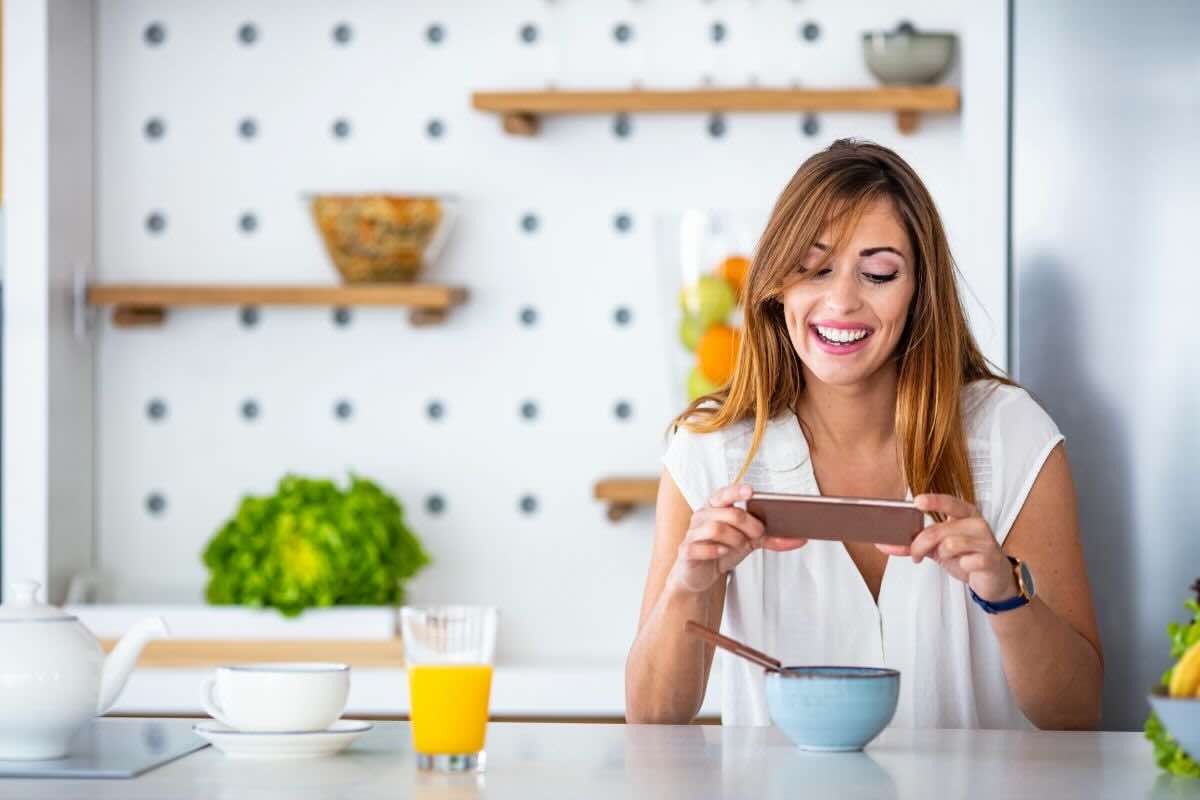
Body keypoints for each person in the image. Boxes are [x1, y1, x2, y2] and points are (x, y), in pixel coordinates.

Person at [625, 139, 1103, 730]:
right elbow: (650, 717)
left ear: (920, 291)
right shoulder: (709, 451)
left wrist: (1003, 592)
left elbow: (1078, 711)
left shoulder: (1012, 436)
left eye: (878, 273)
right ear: (777, 285)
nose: (842, 300)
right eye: (814, 268)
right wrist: (689, 585)